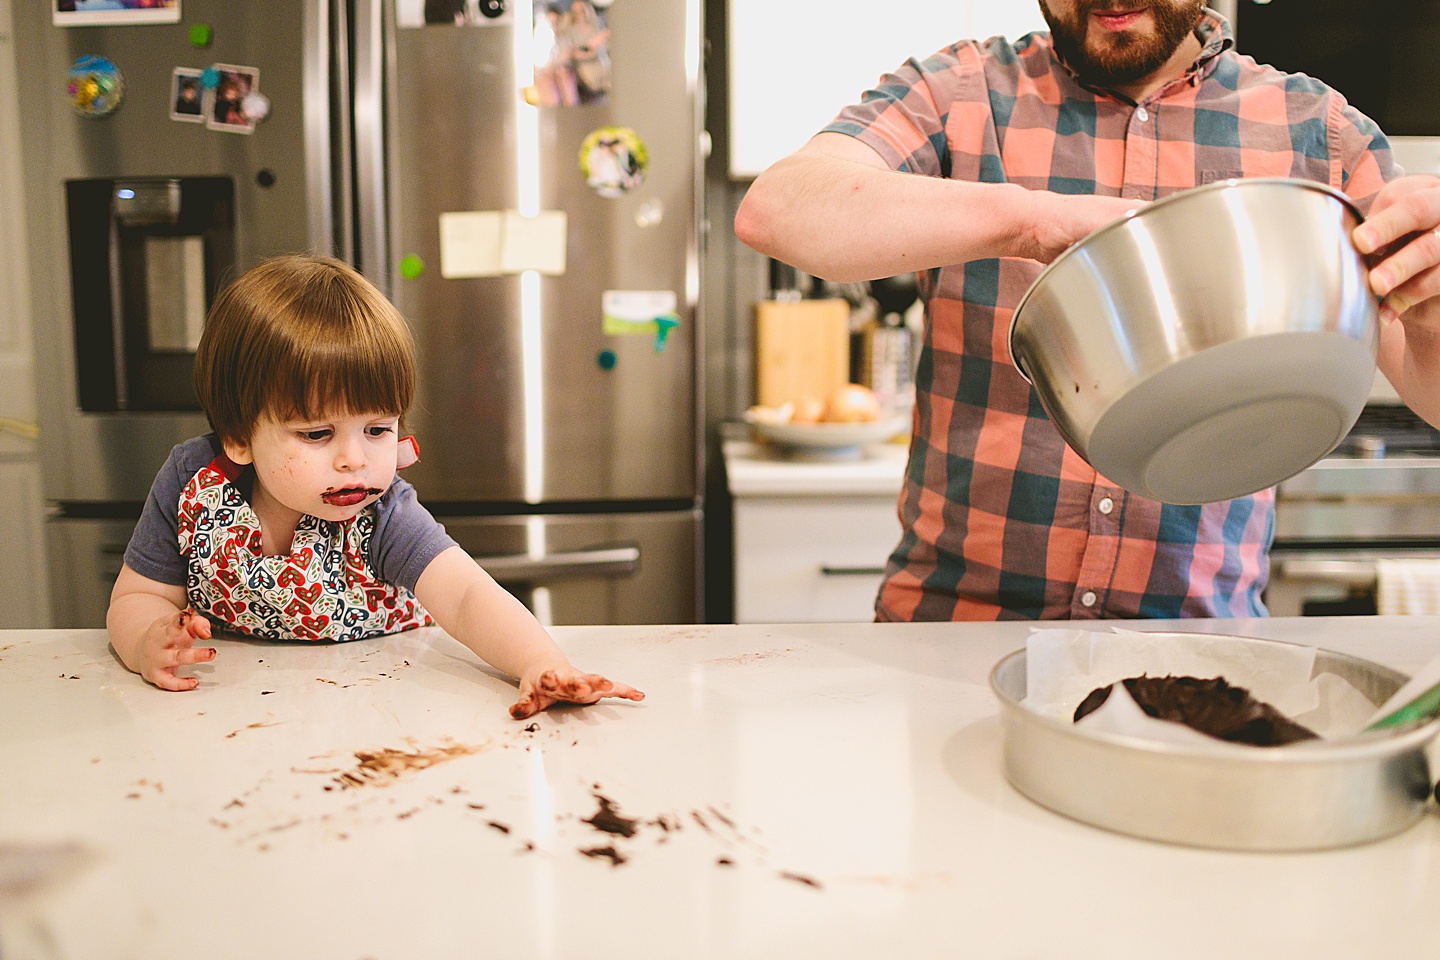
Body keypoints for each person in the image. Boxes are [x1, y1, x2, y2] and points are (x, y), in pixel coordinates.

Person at [735, 2, 1440, 622]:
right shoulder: (957, 90)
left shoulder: (1318, 130)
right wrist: (1030, 221)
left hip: (1198, 646)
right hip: (950, 639)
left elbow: (1427, 388)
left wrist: (1431, 309)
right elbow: (779, 210)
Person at [106, 255, 645, 719]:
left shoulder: (384, 513)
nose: (354, 461)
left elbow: (465, 595)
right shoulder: (192, 482)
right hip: (231, 711)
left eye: (377, 429)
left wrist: (540, 663)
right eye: (317, 433)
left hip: (381, 706)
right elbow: (139, 596)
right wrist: (145, 641)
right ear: (240, 438)